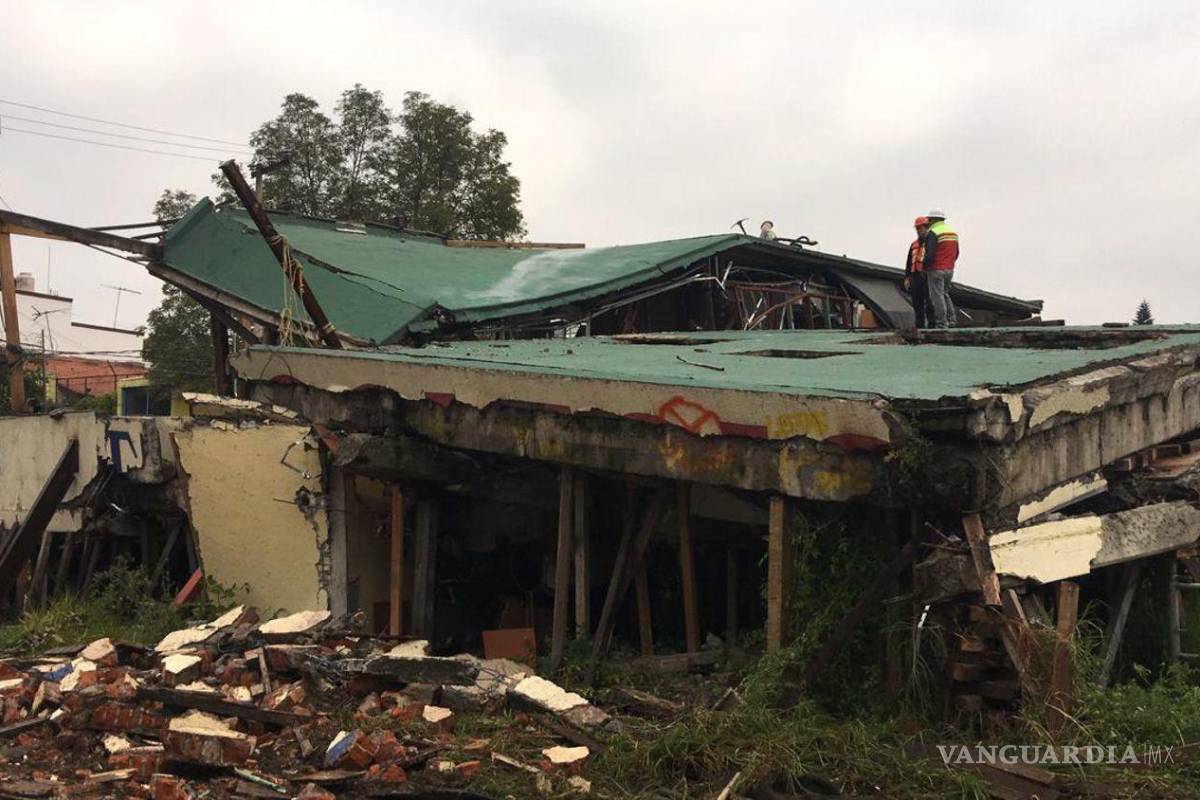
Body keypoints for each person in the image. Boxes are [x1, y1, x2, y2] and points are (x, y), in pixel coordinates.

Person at [922, 208, 959, 328]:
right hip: (949, 269)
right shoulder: (952, 232)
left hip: (936, 269)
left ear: (932, 220)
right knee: (945, 294)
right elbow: (957, 252)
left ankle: (941, 323)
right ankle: (952, 321)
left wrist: (924, 267)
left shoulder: (933, 232)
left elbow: (930, 253)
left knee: (937, 297)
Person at [904, 216, 930, 328]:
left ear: (926, 227)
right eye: (917, 228)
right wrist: (907, 277)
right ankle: (919, 326)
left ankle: (932, 325)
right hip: (915, 276)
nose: (919, 230)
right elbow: (909, 261)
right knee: (917, 302)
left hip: (927, 275)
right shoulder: (914, 244)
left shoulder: (931, 242)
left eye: (921, 228)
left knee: (929, 302)